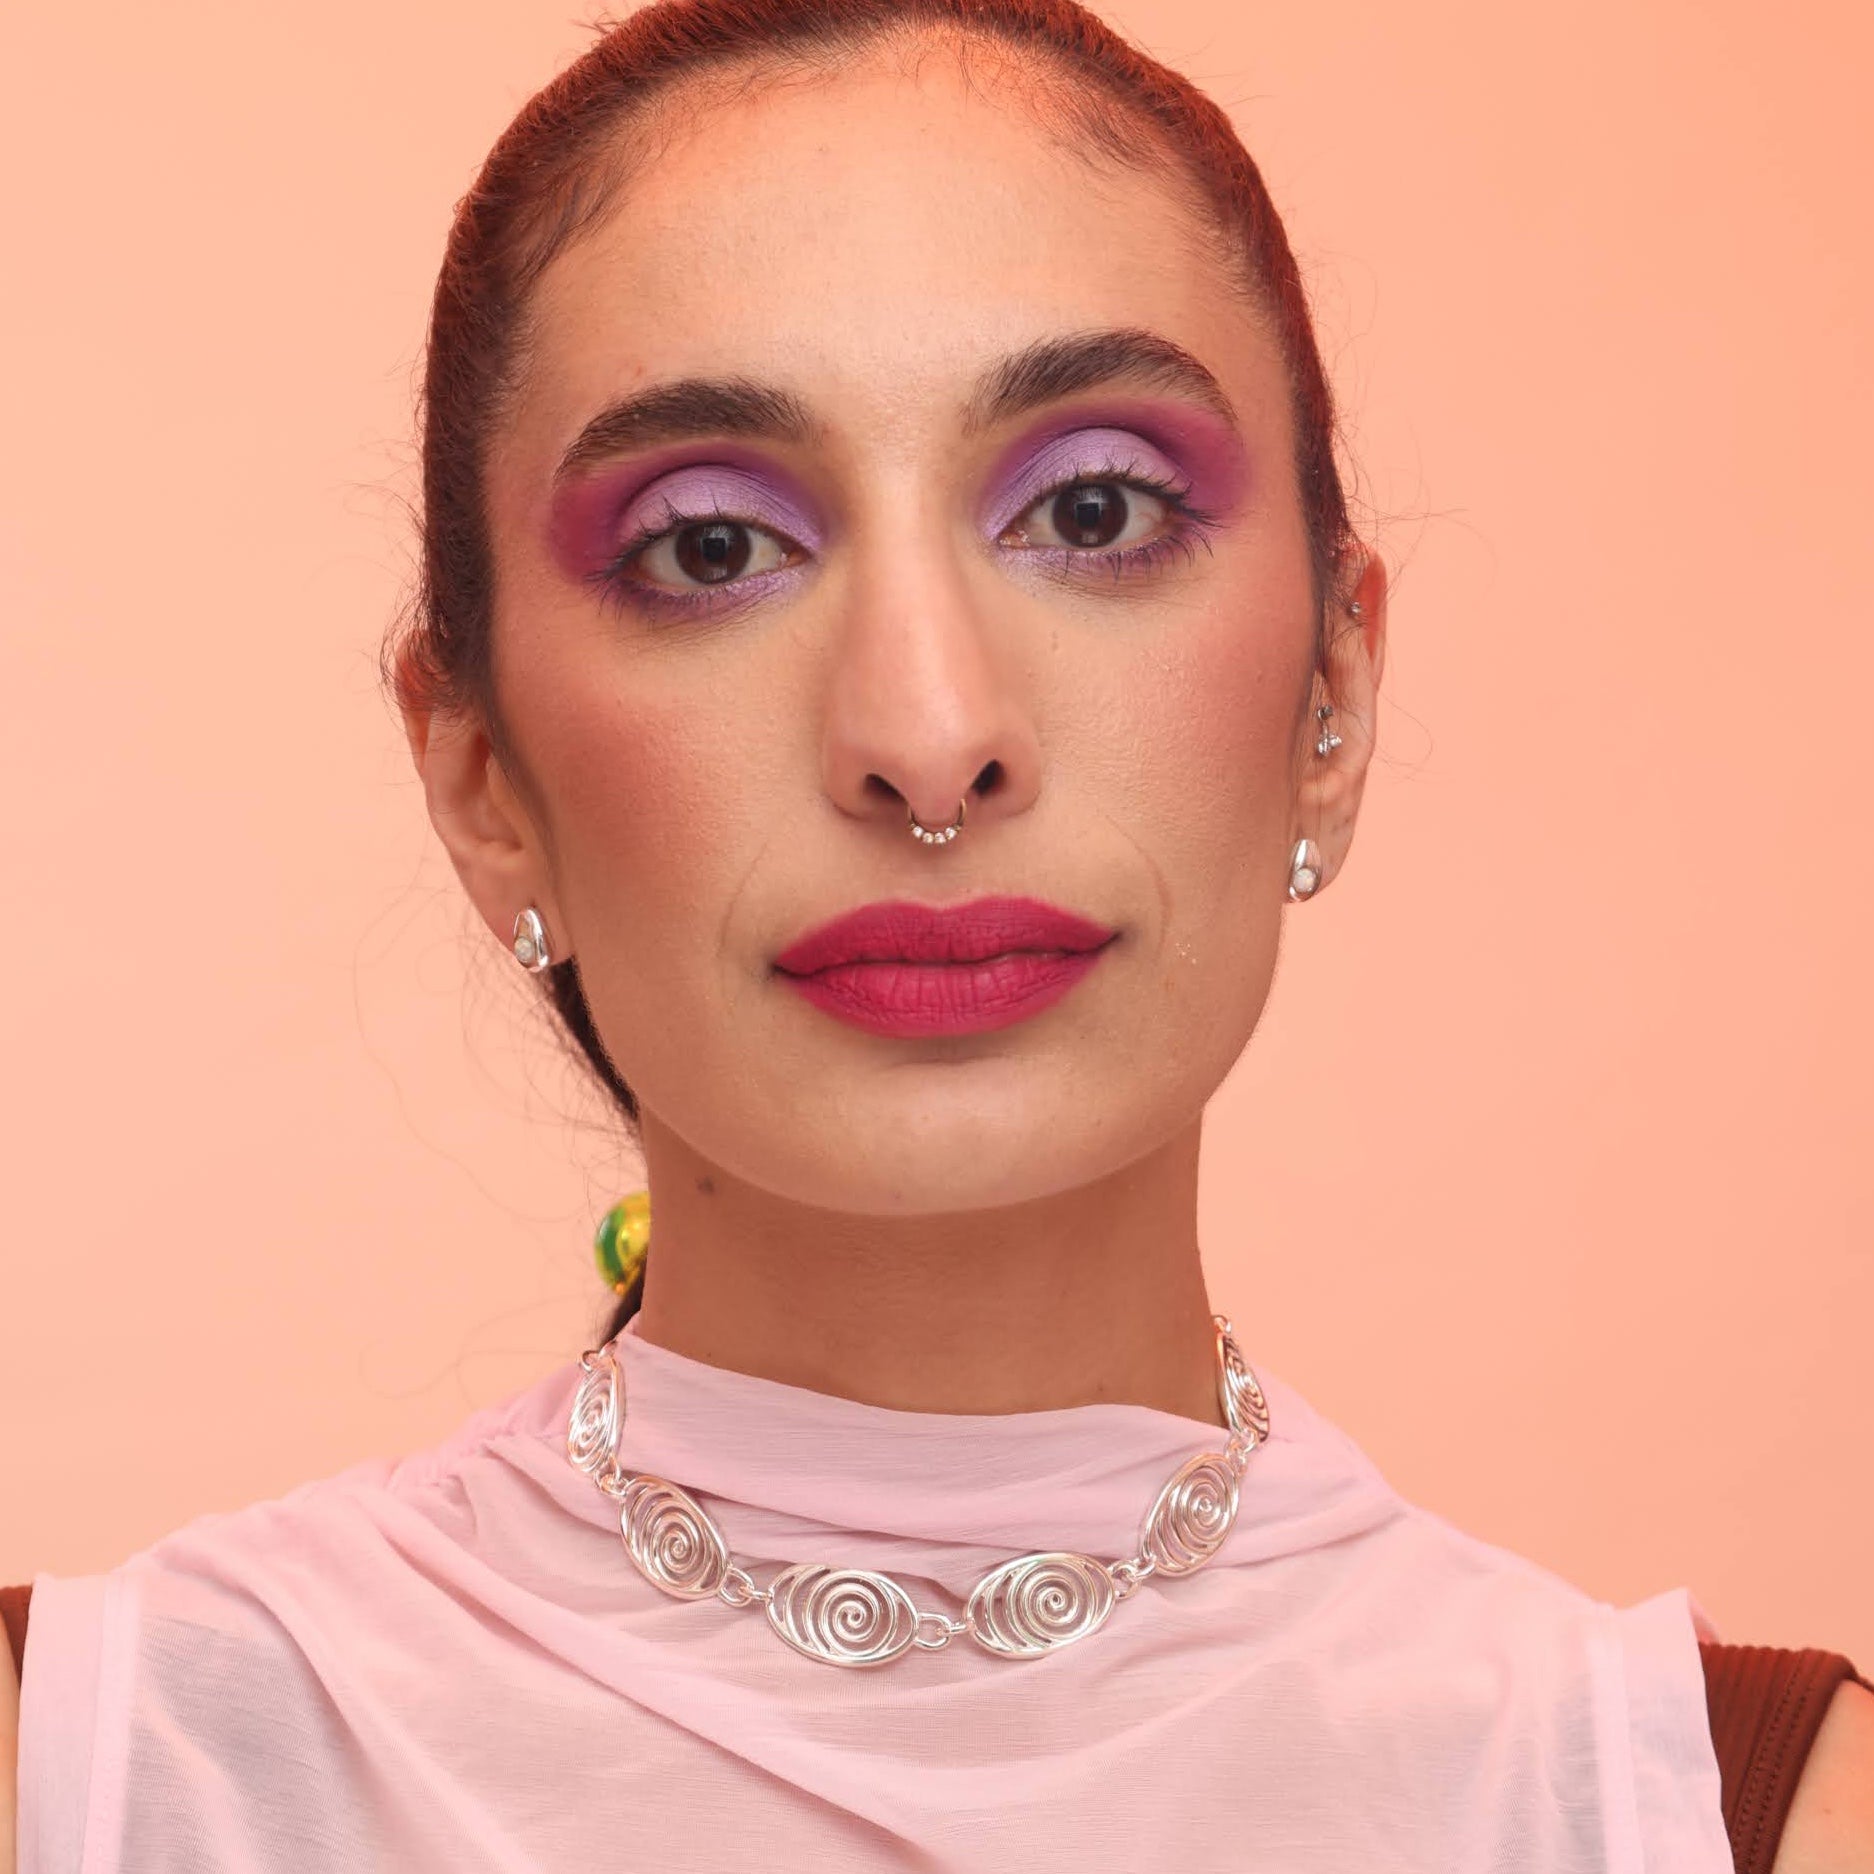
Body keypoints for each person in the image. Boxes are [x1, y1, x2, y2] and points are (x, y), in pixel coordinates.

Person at [5, 0, 1870, 1868]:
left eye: (1091, 507)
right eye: (712, 546)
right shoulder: (92, 1762)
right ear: (481, 772)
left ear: (1335, 692)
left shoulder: (1740, 1803)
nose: (926, 733)